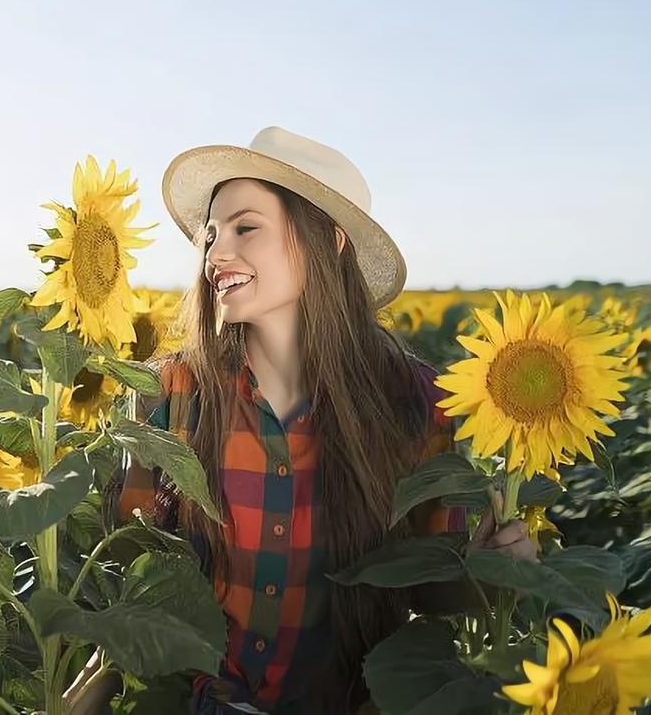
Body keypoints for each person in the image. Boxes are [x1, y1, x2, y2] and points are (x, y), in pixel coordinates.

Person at [65, 127, 537, 715]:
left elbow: (428, 584)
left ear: (328, 241)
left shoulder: (413, 400)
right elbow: (130, 588)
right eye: (210, 235)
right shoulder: (171, 394)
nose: (215, 253)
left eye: (246, 227)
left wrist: (490, 570)